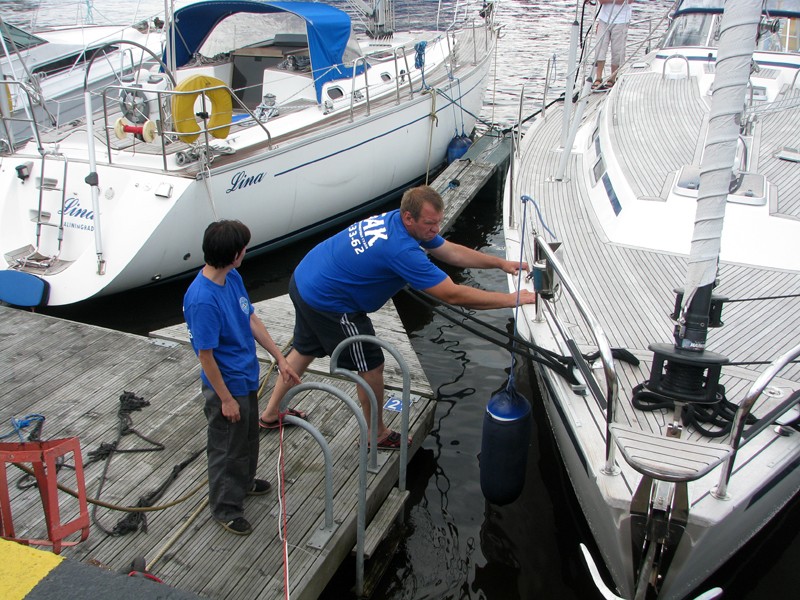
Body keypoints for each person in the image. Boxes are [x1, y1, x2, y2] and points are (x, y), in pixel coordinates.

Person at [258, 185, 536, 449]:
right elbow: (453, 295)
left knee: (305, 348)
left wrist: (500, 263)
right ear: (409, 217)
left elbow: (449, 251)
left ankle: (270, 415)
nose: (436, 230)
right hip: (328, 301)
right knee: (371, 366)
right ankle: (376, 435)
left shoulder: (400, 222)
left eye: (438, 222)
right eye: (430, 224)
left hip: (305, 277)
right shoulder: (401, 249)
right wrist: (514, 299)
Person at [183, 220, 301, 535]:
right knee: (226, 448)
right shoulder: (202, 300)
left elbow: (250, 317)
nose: (246, 252)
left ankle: (245, 483)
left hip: (247, 375)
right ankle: (225, 508)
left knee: (248, 439)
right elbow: (205, 356)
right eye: (244, 247)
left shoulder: (232, 277)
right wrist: (225, 400)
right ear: (235, 254)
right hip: (227, 386)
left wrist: (280, 358)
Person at [593, 0, 632, 91]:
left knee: (617, 51)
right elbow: (601, 1)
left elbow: (628, 1)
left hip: (622, 20)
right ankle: (598, 78)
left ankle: (612, 79)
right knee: (600, 48)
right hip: (604, 19)